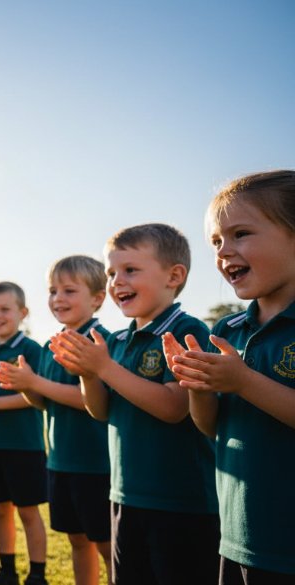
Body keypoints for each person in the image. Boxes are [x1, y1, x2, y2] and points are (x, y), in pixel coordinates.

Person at [50, 223, 218, 585]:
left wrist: (103, 367)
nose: (116, 281)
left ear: (174, 276)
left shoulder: (189, 331)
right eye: (111, 272)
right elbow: (100, 410)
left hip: (180, 502)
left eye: (130, 270)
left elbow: (175, 407)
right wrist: (89, 374)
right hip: (125, 493)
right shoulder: (120, 340)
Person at [164, 170, 295, 583]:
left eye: (240, 234)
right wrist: (198, 386)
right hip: (238, 536)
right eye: (216, 242)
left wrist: (243, 381)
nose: (224, 251)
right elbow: (210, 427)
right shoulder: (227, 331)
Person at [0, 257, 112, 585]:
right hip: (60, 462)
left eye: (69, 290)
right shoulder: (50, 345)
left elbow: (88, 400)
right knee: (77, 539)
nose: (58, 298)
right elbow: (42, 401)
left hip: (96, 464)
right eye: (52, 291)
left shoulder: (104, 342)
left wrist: (35, 384)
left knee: (106, 544)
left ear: (97, 298)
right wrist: (25, 384)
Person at [0, 281, 48, 585]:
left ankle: (37, 575)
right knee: (0, 510)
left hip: (25, 447)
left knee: (28, 512)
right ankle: (7, 571)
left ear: (22, 312)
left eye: (4, 309)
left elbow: (38, 395)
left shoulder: (31, 350)